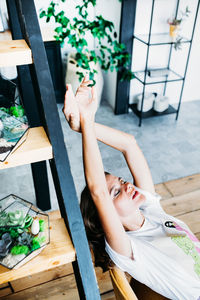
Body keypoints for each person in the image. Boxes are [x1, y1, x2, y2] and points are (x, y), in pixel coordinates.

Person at [63, 77, 200, 300]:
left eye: (121, 181)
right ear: (107, 215)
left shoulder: (151, 209)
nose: (126, 185)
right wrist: (87, 118)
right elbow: (97, 190)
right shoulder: (131, 249)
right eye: (116, 192)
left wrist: (82, 124)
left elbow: (129, 144)